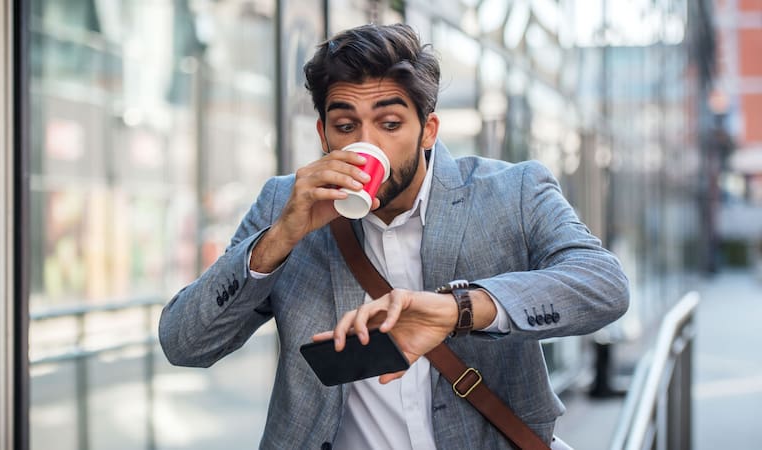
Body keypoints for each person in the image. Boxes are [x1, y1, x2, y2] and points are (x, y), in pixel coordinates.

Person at [159, 23, 629, 449]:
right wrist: (280, 238)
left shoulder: (511, 191)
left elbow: (603, 285)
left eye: (389, 124)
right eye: (346, 126)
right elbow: (185, 343)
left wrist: (459, 310)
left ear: (428, 130)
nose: (368, 142)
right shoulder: (285, 203)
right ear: (323, 135)